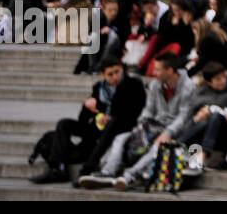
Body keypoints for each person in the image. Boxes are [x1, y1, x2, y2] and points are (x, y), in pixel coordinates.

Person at [77, 52, 198, 190]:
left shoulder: (188, 87)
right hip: (154, 127)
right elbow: (148, 110)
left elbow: (183, 117)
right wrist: (140, 126)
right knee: (121, 138)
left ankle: (129, 176)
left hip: (178, 132)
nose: (153, 72)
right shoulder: (155, 85)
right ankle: (108, 173)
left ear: (170, 70)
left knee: (159, 146)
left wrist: (167, 133)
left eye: (158, 69)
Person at [31, 56, 145, 184]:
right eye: (110, 74)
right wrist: (87, 108)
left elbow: (136, 112)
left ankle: (86, 170)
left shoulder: (134, 85)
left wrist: (110, 117)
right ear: (103, 75)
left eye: (117, 72)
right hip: (96, 130)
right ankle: (58, 169)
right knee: (64, 123)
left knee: (113, 122)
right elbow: (82, 121)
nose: (115, 77)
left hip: (120, 127)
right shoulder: (99, 88)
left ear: (122, 69)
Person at [179, 62, 227, 168]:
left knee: (215, 116)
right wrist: (197, 118)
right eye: (218, 79)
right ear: (209, 82)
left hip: (224, 132)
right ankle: (193, 155)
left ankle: (200, 154)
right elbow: (188, 120)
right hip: (200, 131)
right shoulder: (199, 94)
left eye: (223, 77)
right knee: (203, 123)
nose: (223, 81)